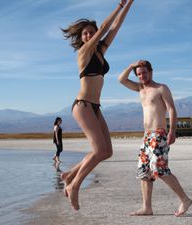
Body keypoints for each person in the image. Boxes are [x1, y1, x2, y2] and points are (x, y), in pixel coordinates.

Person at [60, 0, 134, 210]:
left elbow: (114, 28)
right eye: (85, 33)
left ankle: (70, 174)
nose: (89, 35)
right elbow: (103, 29)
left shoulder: (101, 52)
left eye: (91, 32)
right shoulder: (83, 53)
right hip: (82, 105)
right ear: (81, 37)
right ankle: (74, 185)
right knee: (99, 149)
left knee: (107, 151)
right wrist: (119, 5)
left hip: (95, 107)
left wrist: (129, 4)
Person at [118, 60, 192, 217]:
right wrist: (131, 66)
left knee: (160, 169)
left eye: (144, 72)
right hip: (146, 136)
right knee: (144, 172)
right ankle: (147, 207)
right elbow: (121, 80)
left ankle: (184, 199)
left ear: (151, 72)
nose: (142, 76)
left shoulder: (161, 88)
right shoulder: (140, 88)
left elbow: (172, 109)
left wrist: (172, 131)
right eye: (138, 74)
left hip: (159, 134)